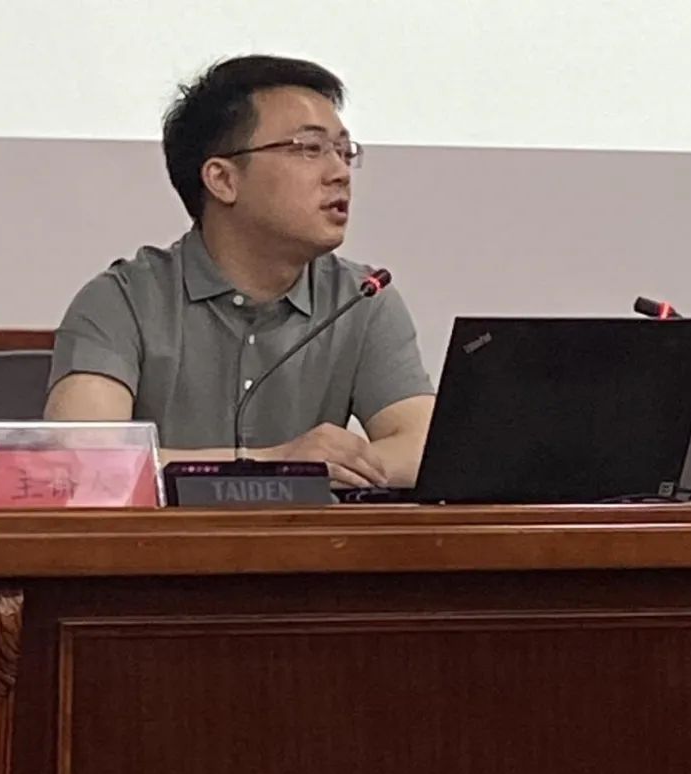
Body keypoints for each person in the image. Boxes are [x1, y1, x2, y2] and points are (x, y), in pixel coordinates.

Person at [44, 55, 435, 487]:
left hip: (307, 534)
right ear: (223, 180)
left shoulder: (361, 298)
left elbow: (427, 448)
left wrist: (328, 468)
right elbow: (82, 461)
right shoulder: (122, 301)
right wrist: (276, 466)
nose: (339, 172)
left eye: (344, 152)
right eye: (310, 148)